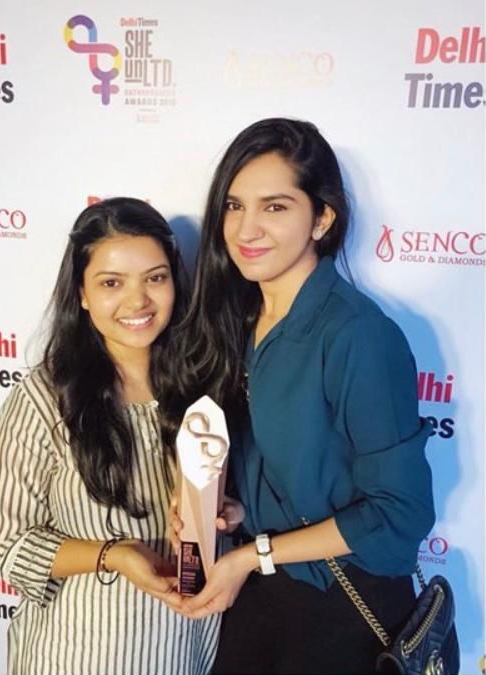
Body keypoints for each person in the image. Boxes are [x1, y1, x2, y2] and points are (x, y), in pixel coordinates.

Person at [172, 118, 435, 675]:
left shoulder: (359, 335)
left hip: (343, 610)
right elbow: (299, 479)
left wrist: (255, 554)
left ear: (322, 218)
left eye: (275, 207)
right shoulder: (240, 320)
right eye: (234, 206)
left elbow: (400, 512)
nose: (246, 228)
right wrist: (238, 512)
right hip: (261, 600)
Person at [0, 198, 220, 675]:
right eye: (112, 283)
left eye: (155, 278)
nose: (138, 301)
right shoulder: (46, 399)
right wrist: (113, 555)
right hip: (81, 654)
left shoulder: (202, 389)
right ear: (82, 294)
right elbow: (4, 545)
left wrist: (225, 513)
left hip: (186, 650)